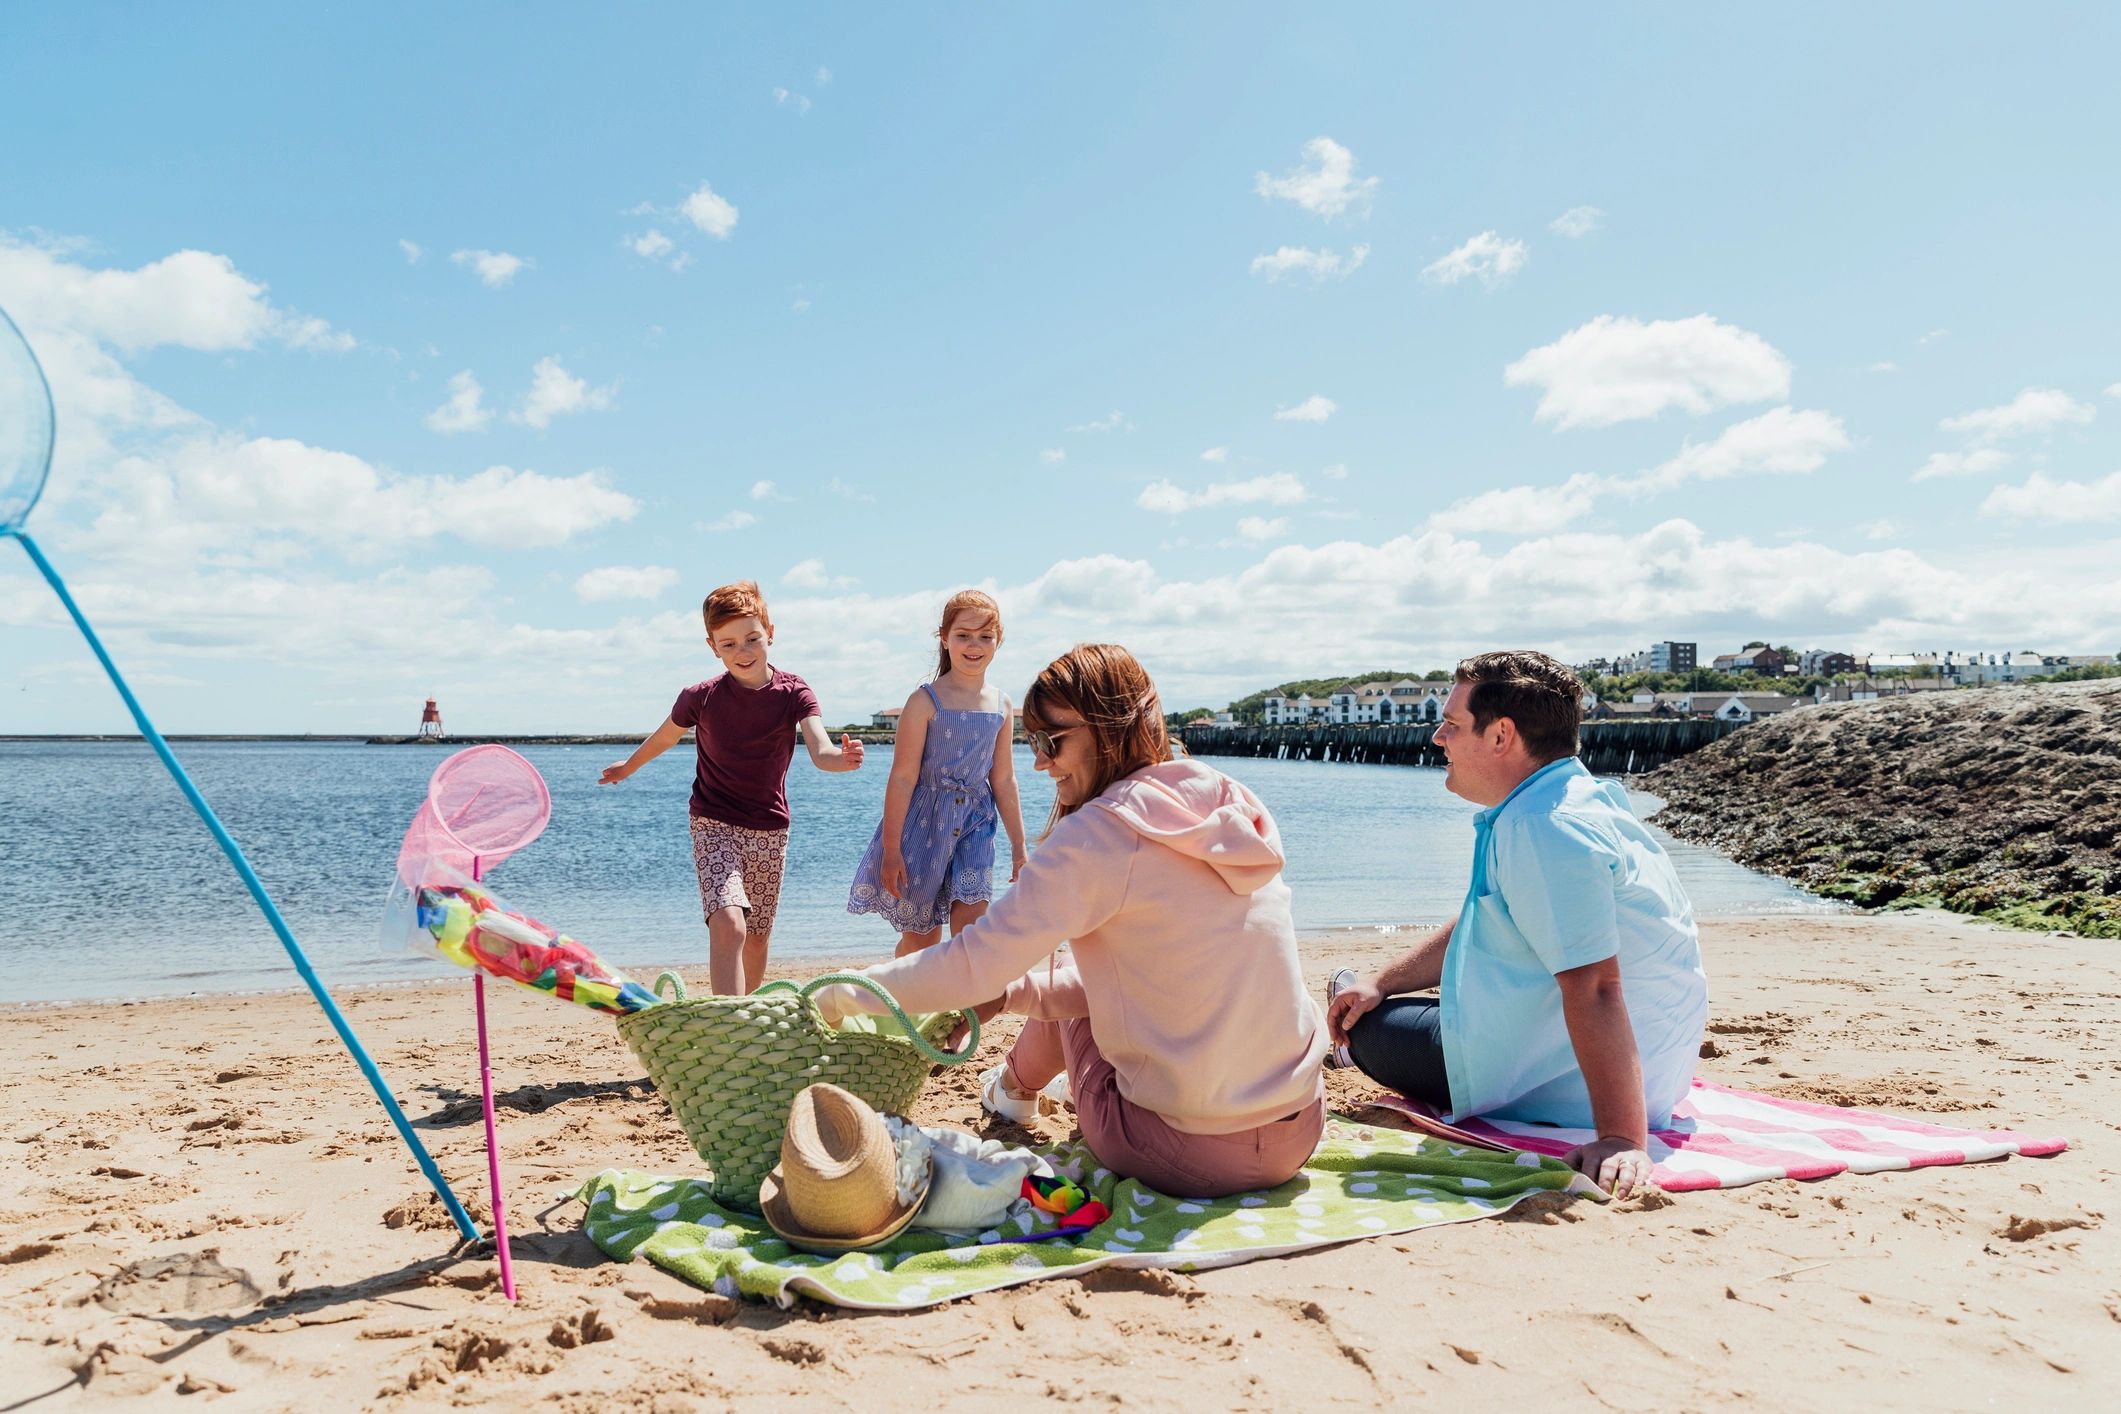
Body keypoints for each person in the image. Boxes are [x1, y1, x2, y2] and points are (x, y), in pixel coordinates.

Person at [816, 644, 1325, 1200]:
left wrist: (843, 995)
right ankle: (1014, 1087)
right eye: (1032, 742)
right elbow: (1155, 978)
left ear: (1109, 729)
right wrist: (1011, 994)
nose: (1039, 762)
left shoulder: (1098, 836)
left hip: (1186, 1153)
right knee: (1075, 982)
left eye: (1051, 742)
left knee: (1067, 1000)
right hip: (1299, 1129)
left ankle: (1012, 1090)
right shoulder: (1228, 804)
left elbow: (970, 964)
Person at [1324, 650, 1707, 1199]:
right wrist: (1382, 980)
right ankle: (1368, 992)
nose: (1437, 738)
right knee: (1382, 1002)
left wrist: (1621, 1137)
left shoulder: (1543, 828)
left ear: (1501, 735)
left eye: (1453, 725)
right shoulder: (1581, 800)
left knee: (1373, 1033)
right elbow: (1489, 911)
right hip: (1656, 1067)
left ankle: (1359, 1023)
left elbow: (1597, 986)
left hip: (1579, 1084)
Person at [599, 579, 864, 995]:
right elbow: (666, 737)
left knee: (756, 937)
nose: (743, 652)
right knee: (729, 923)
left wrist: (842, 760)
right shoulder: (700, 697)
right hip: (713, 821)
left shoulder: (794, 692)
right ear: (713, 647)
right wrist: (628, 767)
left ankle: (748, 1014)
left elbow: (820, 749)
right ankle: (729, 1017)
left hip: (770, 829)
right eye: (729, 644)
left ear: (770, 634)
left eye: (752, 639)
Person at [847, 590, 1029, 956]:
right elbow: (902, 778)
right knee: (921, 939)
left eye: (985, 636)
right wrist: (891, 848)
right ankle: (904, 1004)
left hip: (976, 822)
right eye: (963, 635)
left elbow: (1004, 779)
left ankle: (961, 1011)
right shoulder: (924, 702)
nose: (974, 645)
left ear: (999, 641)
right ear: (944, 639)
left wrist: (1019, 846)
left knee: (973, 930)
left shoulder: (1002, 705)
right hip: (923, 827)